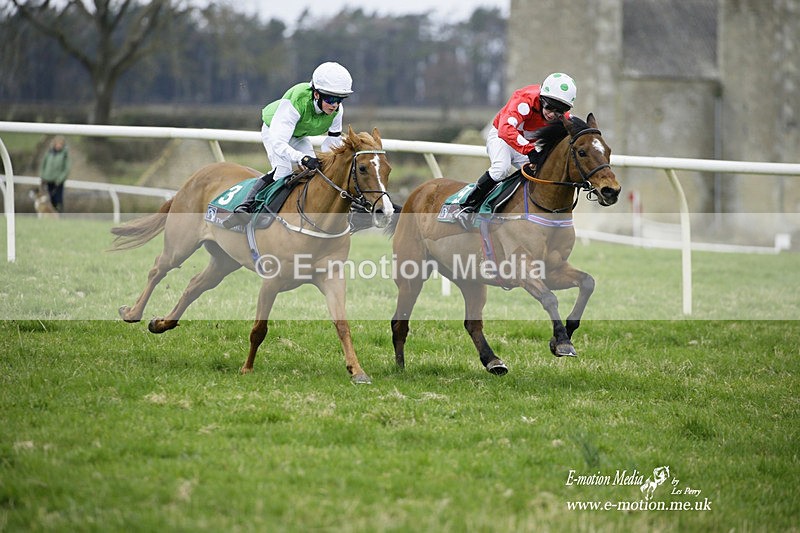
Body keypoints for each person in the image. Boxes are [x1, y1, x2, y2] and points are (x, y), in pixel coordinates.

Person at [224, 61, 353, 228]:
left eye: (339, 99)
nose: (334, 104)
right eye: (330, 98)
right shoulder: (297, 100)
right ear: (316, 94)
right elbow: (279, 143)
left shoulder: (337, 111)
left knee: (316, 171)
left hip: (299, 135)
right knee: (283, 171)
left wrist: (330, 166)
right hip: (275, 131)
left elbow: (332, 143)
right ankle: (246, 208)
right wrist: (303, 158)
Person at [456, 72, 577, 224]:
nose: (553, 115)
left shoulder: (564, 116)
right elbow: (505, 129)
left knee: (542, 175)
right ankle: (467, 205)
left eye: (559, 111)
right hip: (501, 137)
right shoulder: (524, 99)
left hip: (524, 143)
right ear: (541, 98)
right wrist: (530, 151)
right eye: (550, 108)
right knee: (501, 169)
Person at [39, 135, 71, 213]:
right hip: (48, 180)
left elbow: (66, 169)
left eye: (60, 144)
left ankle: (59, 214)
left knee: (58, 199)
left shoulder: (64, 155)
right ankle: (51, 215)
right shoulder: (49, 153)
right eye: (57, 144)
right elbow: (44, 164)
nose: (58, 146)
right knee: (50, 199)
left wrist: (60, 179)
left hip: (58, 181)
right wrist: (42, 176)